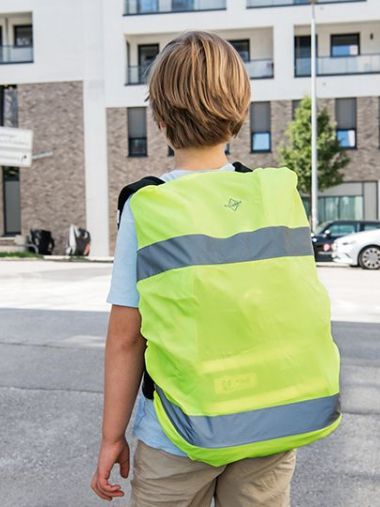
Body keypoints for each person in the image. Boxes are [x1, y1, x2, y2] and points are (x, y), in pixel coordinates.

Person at [91, 31, 340, 506]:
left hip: (180, 434)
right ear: (240, 110)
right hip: (272, 421)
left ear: (160, 117)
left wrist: (111, 438)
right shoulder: (275, 196)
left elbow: (126, 337)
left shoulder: (150, 206)